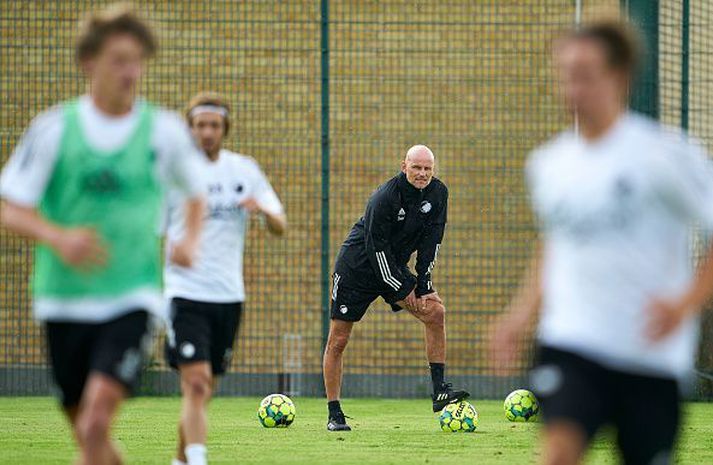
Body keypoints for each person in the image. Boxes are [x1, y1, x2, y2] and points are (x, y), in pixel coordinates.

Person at [491, 22, 713, 465]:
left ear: (619, 76)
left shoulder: (665, 156)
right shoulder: (549, 164)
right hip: (572, 340)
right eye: (566, 73)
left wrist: (685, 303)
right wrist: (518, 316)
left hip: (648, 353)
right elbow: (555, 243)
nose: (572, 86)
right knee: (557, 453)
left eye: (586, 73)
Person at [0, 5, 205, 465]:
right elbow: (11, 209)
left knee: (95, 421)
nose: (130, 72)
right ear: (89, 62)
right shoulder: (53, 130)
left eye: (136, 61)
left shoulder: (164, 131)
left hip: (131, 297)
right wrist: (57, 237)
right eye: (118, 60)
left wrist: (190, 240)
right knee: (90, 438)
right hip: (63, 298)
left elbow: (196, 194)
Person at [164, 92, 287, 465]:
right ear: (190, 129)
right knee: (197, 381)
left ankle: (181, 460)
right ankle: (199, 461)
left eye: (214, 125)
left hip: (229, 296)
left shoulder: (244, 170)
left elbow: (280, 225)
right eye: (200, 125)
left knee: (204, 389)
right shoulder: (174, 174)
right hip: (185, 292)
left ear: (224, 129)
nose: (207, 132)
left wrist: (263, 210)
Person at [323, 144, 469, 431]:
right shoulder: (385, 196)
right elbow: (375, 248)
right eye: (417, 167)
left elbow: (432, 241)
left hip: (392, 265)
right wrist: (403, 290)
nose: (422, 174)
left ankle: (439, 390)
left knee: (435, 312)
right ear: (404, 166)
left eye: (428, 169)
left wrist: (424, 284)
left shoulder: (439, 193)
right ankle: (334, 413)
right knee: (338, 340)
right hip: (358, 269)